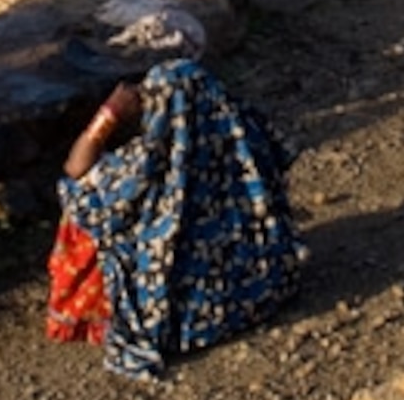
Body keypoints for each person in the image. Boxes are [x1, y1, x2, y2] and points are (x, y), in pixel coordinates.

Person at [45, 57, 301, 379]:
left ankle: (81, 306)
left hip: (182, 316)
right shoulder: (245, 139)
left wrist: (108, 116)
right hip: (261, 288)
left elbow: (75, 172)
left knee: (81, 204)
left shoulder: (145, 166)